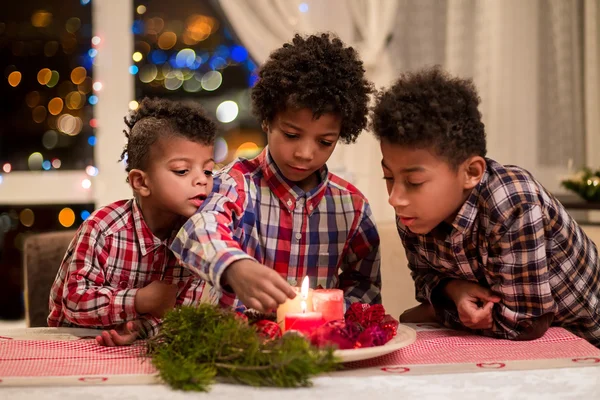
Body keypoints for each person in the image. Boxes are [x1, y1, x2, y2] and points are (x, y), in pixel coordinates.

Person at [372, 66, 600, 346]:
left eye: (415, 181)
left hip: (583, 338)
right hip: (516, 339)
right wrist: (454, 291)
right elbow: (425, 281)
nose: (395, 198)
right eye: (388, 177)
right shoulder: (413, 212)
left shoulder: (513, 202)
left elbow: (526, 323)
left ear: (471, 172)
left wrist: (439, 311)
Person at [171, 33, 381, 313]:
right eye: (292, 134)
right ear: (267, 120)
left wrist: (336, 314)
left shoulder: (352, 207)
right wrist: (234, 266)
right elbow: (198, 229)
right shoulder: (235, 184)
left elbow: (365, 290)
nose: (306, 153)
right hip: (238, 347)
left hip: (317, 351)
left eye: (324, 142)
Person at [48, 97, 216, 345]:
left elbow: (179, 310)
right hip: (72, 345)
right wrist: (140, 300)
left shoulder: (196, 236)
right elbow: (73, 301)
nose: (202, 180)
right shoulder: (102, 229)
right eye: (182, 170)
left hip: (138, 349)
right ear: (141, 182)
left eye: (208, 170)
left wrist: (139, 328)